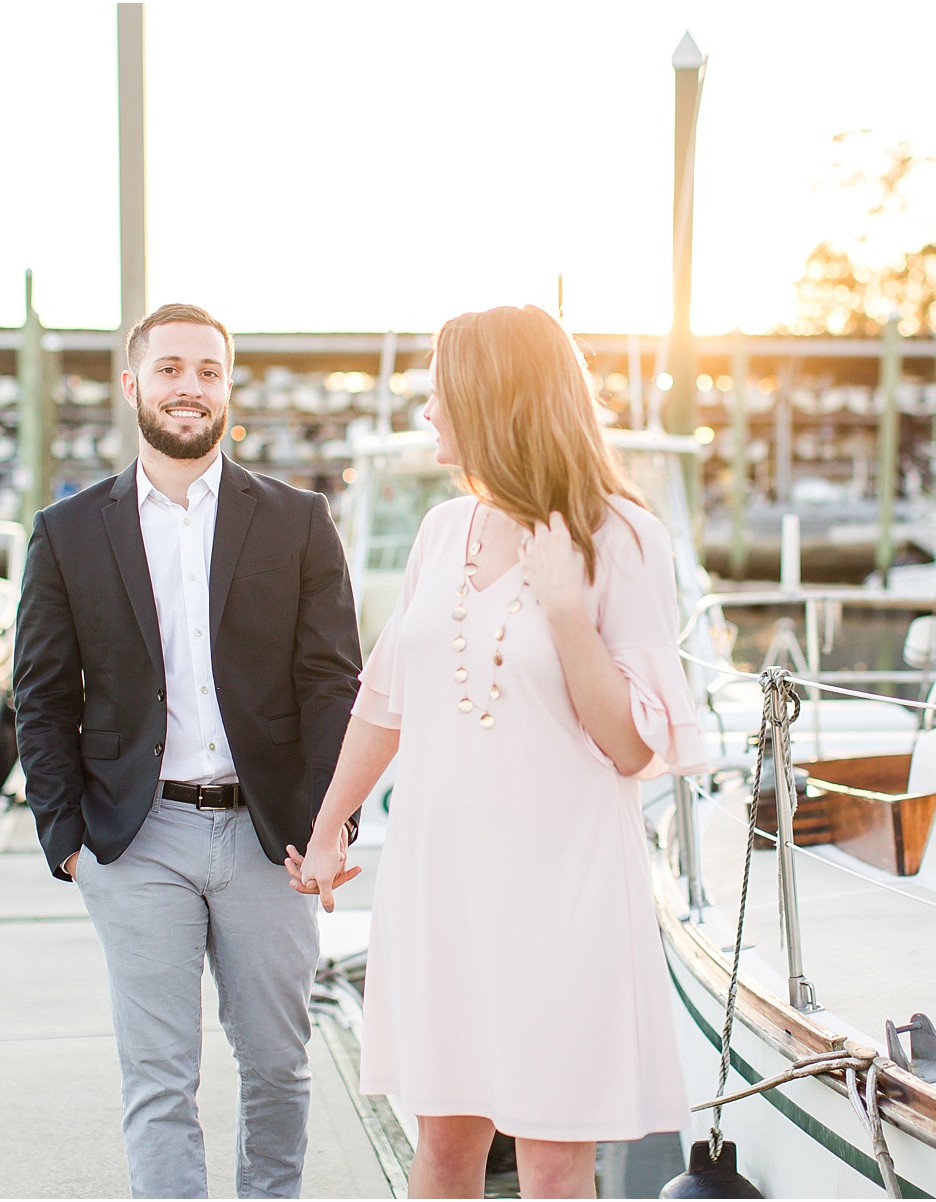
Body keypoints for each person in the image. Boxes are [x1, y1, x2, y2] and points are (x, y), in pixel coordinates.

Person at [290, 305, 706, 1198]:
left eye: (440, 391)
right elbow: (385, 699)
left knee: (555, 1158)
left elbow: (633, 746)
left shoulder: (623, 539)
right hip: (445, 882)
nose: (428, 409)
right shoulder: (444, 532)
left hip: (565, 889)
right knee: (442, 1146)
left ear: (493, 397)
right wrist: (331, 828)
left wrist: (565, 613)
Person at [13, 302, 362, 1198]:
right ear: (133, 385)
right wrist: (65, 840)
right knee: (160, 1080)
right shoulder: (68, 533)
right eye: (169, 369)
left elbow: (332, 686)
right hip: (135, 839)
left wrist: (334, 821)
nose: (189, 388)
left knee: (279, 1066)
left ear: (228, 388)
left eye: (207, 371)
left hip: (270, 835)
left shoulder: (297, 521)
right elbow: (43, 697)